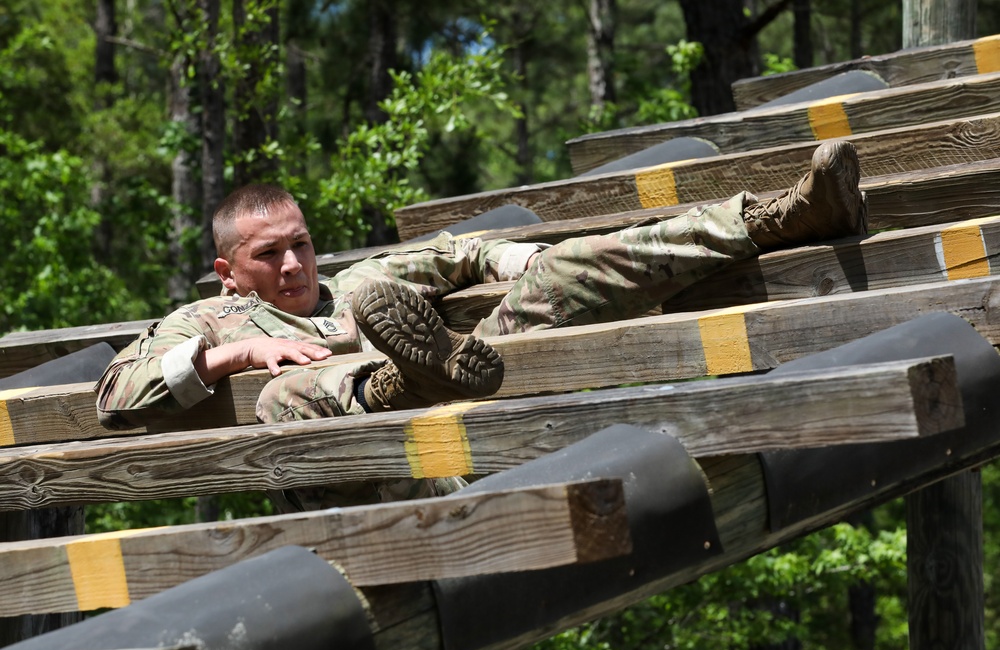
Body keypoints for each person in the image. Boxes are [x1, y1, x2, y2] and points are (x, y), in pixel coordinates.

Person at [96, 139, 867, 507]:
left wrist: (516, 264)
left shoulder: (359, 283)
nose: (295, 265)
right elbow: (112, 398)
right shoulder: (209, 317)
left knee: (564, 266)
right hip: (375, 488)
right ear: (230, 269)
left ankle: (775, 218)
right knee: (282, 395)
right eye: (271, 255)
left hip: (474, 421)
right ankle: (392, 380)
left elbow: (458, 249)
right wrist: (235, 352)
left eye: (302, 244)